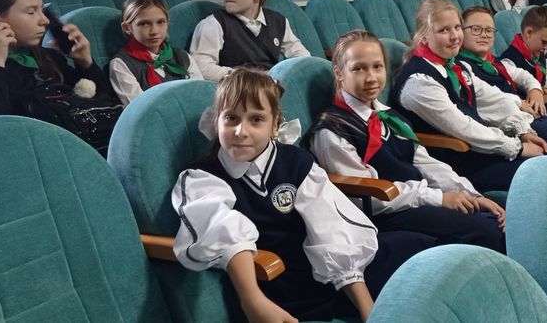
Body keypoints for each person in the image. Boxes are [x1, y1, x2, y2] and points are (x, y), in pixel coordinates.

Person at [171, 69, 433, 322]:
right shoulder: (202, 177)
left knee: (422, 248)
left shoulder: (296, 162)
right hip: (276, 293)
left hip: (327, 276)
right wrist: (253, 300)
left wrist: (369, 312)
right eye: (231, 118)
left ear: (275, 124)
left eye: (256, 119)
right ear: (216, 120)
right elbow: (224, 231)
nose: (241, 131)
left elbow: (331, 227)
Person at [307, 30, 506, 252]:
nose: (371, 77)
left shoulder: (389, 116)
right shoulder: (332, 131)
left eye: (377, 67)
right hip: (386, 214)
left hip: (417, 199)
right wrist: (438, 198)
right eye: (358, 69)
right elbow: (368, 199)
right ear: (339, 73)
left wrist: (470, 194)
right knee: (487, 230)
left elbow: (425, 163)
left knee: (494, 215)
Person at [390, 0, 547, 193]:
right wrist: (517, 147)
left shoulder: (453, 66)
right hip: (454, 165)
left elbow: (494, 99)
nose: (455, 36)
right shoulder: (419, 81)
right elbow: (463, 127)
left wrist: (523, 131)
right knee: (546, 174)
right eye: (444, 30)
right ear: (424, 36)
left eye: (457, 27)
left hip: (479, 151)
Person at [0, 0, 119, 153]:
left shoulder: (47, 57)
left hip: (80, 149)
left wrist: (86, 63)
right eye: (31, 12)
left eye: (41, 10)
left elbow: (104, 104)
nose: (44, 20)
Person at [457, 6, 547, 153]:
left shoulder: (496, 62)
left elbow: (523, 75)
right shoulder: (462, 68)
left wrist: (535, 89)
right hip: (513, 127)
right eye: (476, 29)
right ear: (461, 32)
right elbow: (489, 97)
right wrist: (518, 101)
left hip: (533, 117)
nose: (484, 35)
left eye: (489, 30)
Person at [190, 0, 310, 81]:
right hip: (237, 88)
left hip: (273, 86)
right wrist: (256, 77)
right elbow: (202, 68)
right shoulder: (214, 24)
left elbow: (301, 56)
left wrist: (285, 73)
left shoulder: (278, 21)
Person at [109, 0, 202, 104]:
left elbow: (199, 95)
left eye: (160, 22)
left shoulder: (183, 57)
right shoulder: (121, 64)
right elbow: (141, 108)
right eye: (144, 24)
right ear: (127, 28)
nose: (154, 31)